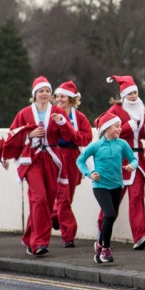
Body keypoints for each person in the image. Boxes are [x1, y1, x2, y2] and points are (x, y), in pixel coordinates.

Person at [3, 77, 74, 256]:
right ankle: (39, 243)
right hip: (32, 159)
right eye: (40, 91)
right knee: (39, 198)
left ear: (51, 94)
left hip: (51, 158)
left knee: (47, 202)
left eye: (47, 91)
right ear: (34, 94)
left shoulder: (57, 112)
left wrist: (62, 123)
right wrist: (30, 135)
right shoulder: (24, 113)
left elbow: (69, 135)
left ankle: (29, 237)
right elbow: (12, 136)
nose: (44, 94)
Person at [77, 111, 137, 265]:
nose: (120, 129)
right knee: (109, 215)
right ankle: (106, 249)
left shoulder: (122, 144)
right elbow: (80, 160)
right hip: (100, 185)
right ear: (107, 128)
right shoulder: (96, 145)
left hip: (117, 185)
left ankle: (99, 244)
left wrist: (131, 165)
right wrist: (90, 173)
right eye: (117, 126)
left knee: (111, 216)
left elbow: (134, 159)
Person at [105, 74, 145, 250]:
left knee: (137, 197)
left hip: (136, 160)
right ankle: (102, 232)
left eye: (135, 92)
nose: (134, 96)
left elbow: (140, 134)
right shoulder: (115, 110)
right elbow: (104, 128)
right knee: (112, 199)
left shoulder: (143, 110)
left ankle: (142, 235)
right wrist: (128, 127)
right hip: (118, 159)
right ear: (123, 95)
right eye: (130, 93)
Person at [52, 80, 93, 247]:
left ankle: (54, 216)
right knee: (62, 196)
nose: (60, 99)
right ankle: (68, 234)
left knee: (68, 195)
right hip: (55, 154)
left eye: (63, 96)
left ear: (70, 99)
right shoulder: (51, 113)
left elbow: (87, 137)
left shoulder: (79, 117)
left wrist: (73, 135)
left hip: (73, 155)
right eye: (58, 96)